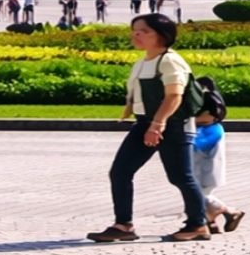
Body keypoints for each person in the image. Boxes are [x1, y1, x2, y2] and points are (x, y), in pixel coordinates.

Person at [86, 13, 210, 242]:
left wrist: (158, 124)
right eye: (134, 30)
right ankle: (123, 225)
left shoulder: (169, 60)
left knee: (180, 177)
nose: (136, 35)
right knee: (120, 172)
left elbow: (174, 96)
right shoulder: (143, 61)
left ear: (162, 35)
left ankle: (198, 224)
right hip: (145, 122)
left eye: (144, 31)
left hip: (171, 124)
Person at [192, 76, 244, 233]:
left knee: (196, 192)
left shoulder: (209, 126)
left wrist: (187, 121)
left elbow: (208, 117)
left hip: (206, 163)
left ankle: (229, 211)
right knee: (199, 191)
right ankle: (210, 222)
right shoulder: (209, 129)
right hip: (204, 162)